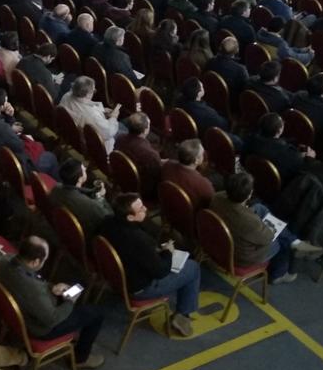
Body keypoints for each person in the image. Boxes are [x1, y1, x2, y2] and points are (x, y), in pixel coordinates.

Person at [0, 236, 105, 368]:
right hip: (39, 328)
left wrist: (50, 287)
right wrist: (70, 302)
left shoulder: (5, 261)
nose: (44, 263)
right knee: (97, 313)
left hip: (18, 311)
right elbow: (52, 319)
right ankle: (80, 359)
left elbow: (33, 280)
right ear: (35, 262)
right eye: (44, 260)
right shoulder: (36, 291)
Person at [100, 193, 201, 337]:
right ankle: (183, 315)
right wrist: (168, 253)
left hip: (118, 277)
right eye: (141, 209)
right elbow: (160, 272)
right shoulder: (138, 240)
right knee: (193, 268)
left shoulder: (108, 222)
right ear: (130, 217)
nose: (146, 209)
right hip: (141, 288)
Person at [210, 172, 321, 285]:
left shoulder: (217, 197)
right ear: (249, 195)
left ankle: (295, 242)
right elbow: (269, 237)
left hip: (222, 242)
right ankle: (278, 274)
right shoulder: (250, 222)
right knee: (280, 241)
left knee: (259, 208)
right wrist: (263, 225)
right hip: (241, 257)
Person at [50, 158, 112, 236]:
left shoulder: (55, 188)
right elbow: (108, 217)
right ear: (80, 179)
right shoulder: (91, 205)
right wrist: (101, 197)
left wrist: (93, 192)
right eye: (83, 168)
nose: (85, 168)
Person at [58, 76, 120, 152]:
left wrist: (101, 111)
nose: (94, 91)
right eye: (93, 90)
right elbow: (108, 132)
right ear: (87, 94)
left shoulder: (66, 96)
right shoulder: (92, 114)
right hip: (92, 144)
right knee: (124, 131)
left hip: (70, 134)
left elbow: (81, 106)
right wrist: (113, 117)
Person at [114, 113, 162, 200]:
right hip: (142, 187)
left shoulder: (120, 138)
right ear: (145, 130)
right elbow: (158, 174)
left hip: (122, 176)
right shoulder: (150, 154)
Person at [160, 139, 215, 209]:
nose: (204, 155)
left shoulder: (167, 165)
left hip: (168, 206)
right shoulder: (204, 185)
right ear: (196, 161)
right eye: (202, 154)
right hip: (191, 216)